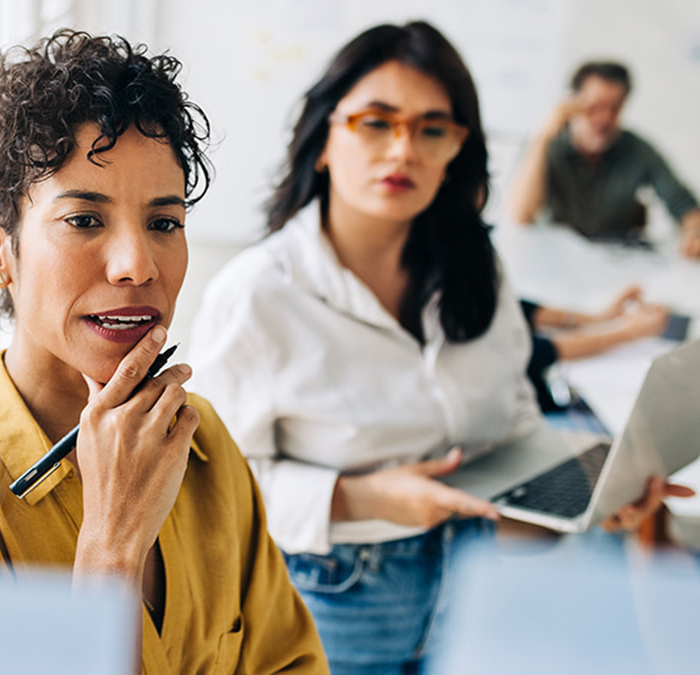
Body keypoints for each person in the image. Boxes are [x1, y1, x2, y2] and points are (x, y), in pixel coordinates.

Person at [187, 22, 690, 674]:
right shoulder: (256, 295)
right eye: (376, 122)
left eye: (431, 129)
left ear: (457, 148)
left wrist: (592, 500)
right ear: (323, 141)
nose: (403, 150)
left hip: (477, 579)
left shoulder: (477, 269)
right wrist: (363, 496)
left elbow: (510, 428)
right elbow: (208, 491)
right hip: (330, 599)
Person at [0, 30, 328, 674]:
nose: (137, 264)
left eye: (164, 222)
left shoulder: (202, 444)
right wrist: (111, 549)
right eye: (84, 220)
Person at [506, 60, 700, 257]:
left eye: (614, 108)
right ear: (573, 104)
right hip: (556, 261)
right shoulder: (546, 145)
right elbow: (521, 215)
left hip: (615, 261)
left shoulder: (636, 149)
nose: (604, 119)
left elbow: (682, 202)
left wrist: (694, 232)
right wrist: (543, 136)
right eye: (594, 106)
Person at [521, 286, 670, 413]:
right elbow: (535, 352)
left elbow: (517, 308)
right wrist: (629, 333)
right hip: (538, 402)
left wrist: (598, 318)